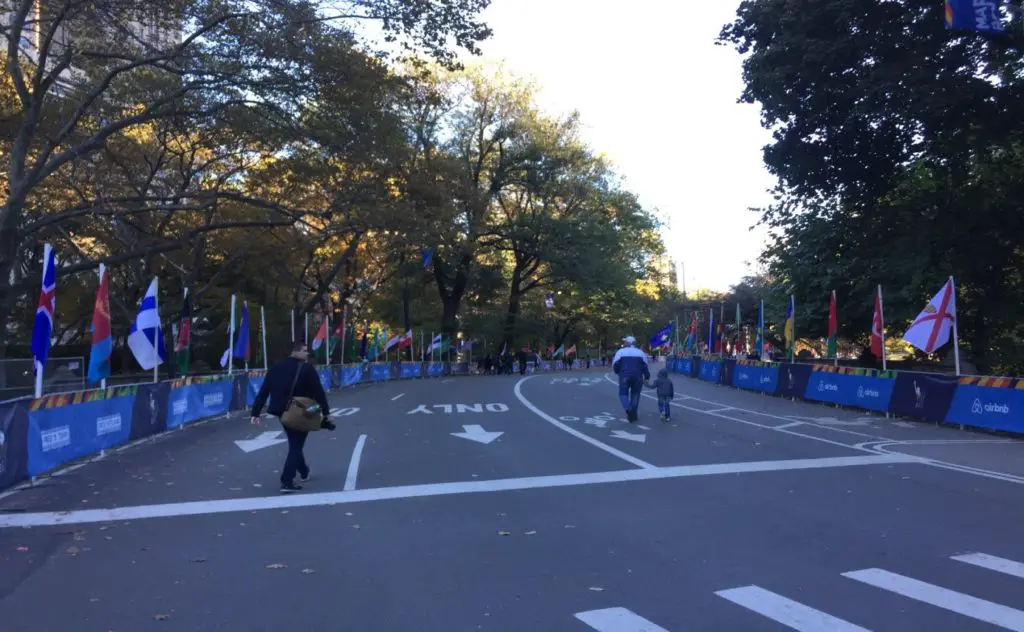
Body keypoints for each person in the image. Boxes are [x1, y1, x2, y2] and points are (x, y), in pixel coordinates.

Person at [251, 341, 336, 493]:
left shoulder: (275, 368)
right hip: (302, 410)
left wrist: (255, 413)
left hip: (281, 410)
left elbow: (264, 391)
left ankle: (303, 470)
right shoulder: (306, 368)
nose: (307, 353)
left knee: (294, 442)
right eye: (304, 350)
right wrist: (326, 412)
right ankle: (287, 480)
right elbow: (318, 392)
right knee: (296, 444)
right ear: (294, 352)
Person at [613, 336, 649, 423]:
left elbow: (615, 364)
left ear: (628, 343)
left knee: (623, 394)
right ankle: (634, 414)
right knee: (635, 394)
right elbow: (645, 366)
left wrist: (618, 372)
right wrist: (647, 377)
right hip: (638, 376)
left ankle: (628, 409)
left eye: (625, 342)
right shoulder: (641, 353)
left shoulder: (621, 352)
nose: (624, 343)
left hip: (624, 375)